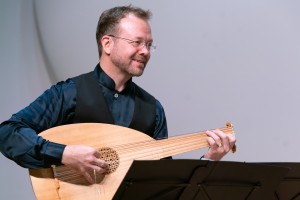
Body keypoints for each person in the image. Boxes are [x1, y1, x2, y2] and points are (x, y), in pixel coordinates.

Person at [0, 5, 236, 184]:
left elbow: (164, 183)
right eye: (137, 42)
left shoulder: (153, 109)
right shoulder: (69, 93)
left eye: (149, 44)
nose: (145, 51)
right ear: (107, 44)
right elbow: (7, 133)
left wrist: (209, 159)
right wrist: (65, 153)